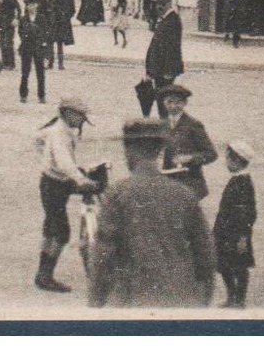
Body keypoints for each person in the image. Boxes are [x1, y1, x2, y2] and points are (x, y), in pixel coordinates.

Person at [88, 118, 215, 308]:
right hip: (181, 300)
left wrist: (95, 302)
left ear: (128, 151)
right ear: (159, 150)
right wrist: (203, 300)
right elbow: (205, 254)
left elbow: (103, 255)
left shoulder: (117, 193)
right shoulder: (185, 194)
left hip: (132, 300)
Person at [33, 97, 98, 292]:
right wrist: (80, 179)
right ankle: (45, 276)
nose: (81, 121)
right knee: (60, 232)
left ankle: (43, 273)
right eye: (80, 117)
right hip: (55, 184)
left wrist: (44, 160)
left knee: (50, 227)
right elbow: (63, 162)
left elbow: (36, 138)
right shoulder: (60, 132)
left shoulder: (56, 127)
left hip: (51, 180)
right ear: (69, 113)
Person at [214, 141, 258, 308]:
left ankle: (239, 299)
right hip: (225, 232)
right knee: (224, 264)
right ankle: (232, 295)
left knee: (239, 266)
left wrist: (243, 237)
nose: (226, 162)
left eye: (228, 159)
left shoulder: (243, 183)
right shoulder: (237, 180)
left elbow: (248, 214)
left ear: (238, 161)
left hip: (237, 234)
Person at [158, 83, 217, 201]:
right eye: (170, 102)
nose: (174, 106)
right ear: (164, 102)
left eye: (178, 102)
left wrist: (189, 158)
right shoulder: (161, 124)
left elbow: (211, 154)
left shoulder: (194, 125)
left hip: (189, 183)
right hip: (168, 183)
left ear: (185, 103)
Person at [140, 0, 184, 116]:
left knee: (163, 102)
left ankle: (165, 128)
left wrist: (168, 71)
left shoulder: (172, 21)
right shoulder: (167, 20)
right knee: (162, 101)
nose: (159, 8)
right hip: (160, 70)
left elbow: (172, 49)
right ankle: (164, 127)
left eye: (162, 5)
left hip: (165, 71)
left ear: (168, 5)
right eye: (159, 5)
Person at [17, 0, 53, 104]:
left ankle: (41, 96)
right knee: (25, 72)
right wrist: (27, 35)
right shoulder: (23, 19)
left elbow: (46, 32)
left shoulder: (41, 18)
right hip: (27, 47)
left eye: (33, 5)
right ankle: (23, 95)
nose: (31, 7)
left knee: (40, 73)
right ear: (27, 7)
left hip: (38, 47)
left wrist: (41, 41)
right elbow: (21, 32)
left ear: (37, 5)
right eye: (29, 5)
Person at [0, 0, 21, 70]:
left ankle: (11, 64)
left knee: (8, 43)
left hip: (9, 23)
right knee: (2, 43)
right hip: (1, 23)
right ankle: (4, 63)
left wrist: (16, 18)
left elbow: (18, 8)